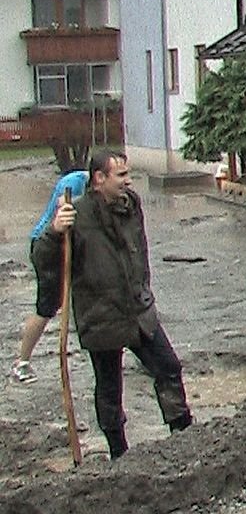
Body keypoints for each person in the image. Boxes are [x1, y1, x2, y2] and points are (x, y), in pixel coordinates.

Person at [35, 149, 194, 459]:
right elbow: (43, 260)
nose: (128, 181)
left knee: (168, 366)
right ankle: (118, 451)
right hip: (101, 314)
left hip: (138, 310)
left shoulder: (131, 207)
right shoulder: (76, 216)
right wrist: (55, 232)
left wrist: (143, 290)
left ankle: (183, 434)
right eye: (121, 175)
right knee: (109, 388)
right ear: (99, 179)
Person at [10, 168, 89, 383]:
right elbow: (62, 208)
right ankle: (22, 362)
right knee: (47, 306)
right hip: (48, 246)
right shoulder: (74, 182)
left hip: (70, 244)